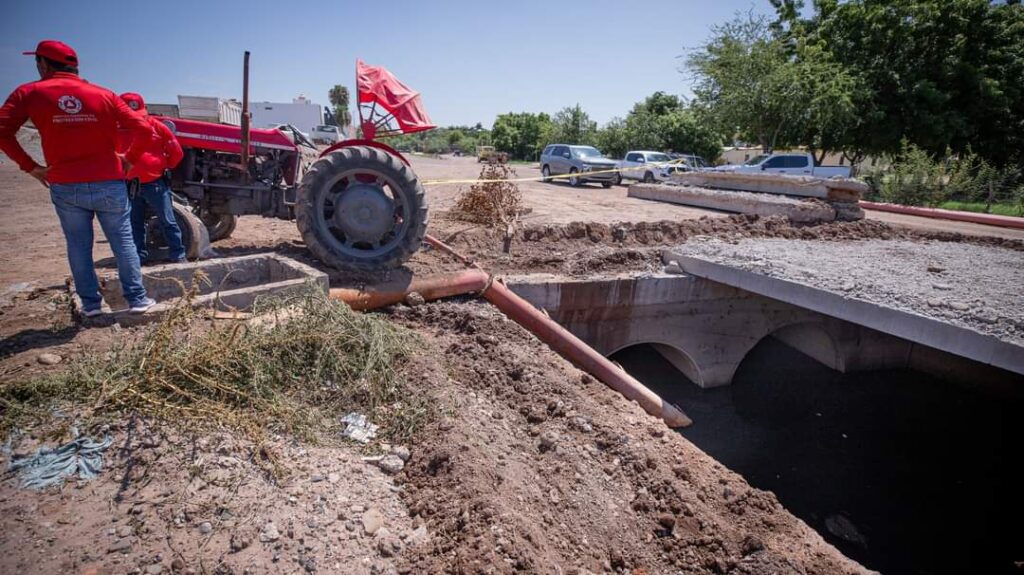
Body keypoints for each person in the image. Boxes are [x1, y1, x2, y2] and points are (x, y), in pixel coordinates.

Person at [0, 40, 157, 316]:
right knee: (123, 242)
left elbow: (3, 131)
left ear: (43, 63)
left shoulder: (29, 93)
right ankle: (137, 300)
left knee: (78, 244)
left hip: (66, 184)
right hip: (109, 180)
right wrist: (129, 159)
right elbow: (143, 127)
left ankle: (91, 305)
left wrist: (32, 167)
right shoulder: (103, 95)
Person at [117, 92, 186, 264]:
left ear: (145, 109)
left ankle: (178, 254)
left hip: (154, 183)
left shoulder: (157, 126)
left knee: (168, 220)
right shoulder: (113, 128)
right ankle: (138, 258)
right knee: (134, 223)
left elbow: (176, 153)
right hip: (130, 185)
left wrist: (161, 167)